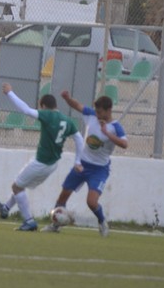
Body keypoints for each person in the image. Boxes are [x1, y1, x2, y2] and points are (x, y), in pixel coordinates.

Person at [0, 82, 84, 231]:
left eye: (41, 107)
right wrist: (78, 161)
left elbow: (26, 110)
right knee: (21, 185)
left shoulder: (48, 115)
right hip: (52, 164)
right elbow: (79, 139)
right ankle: (6, 207)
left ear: (44, 106)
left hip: (41, 163)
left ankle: (29, 221)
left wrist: (10, 93)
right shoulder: (68, 121)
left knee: (16, 187)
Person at [44, 90, 128, 236]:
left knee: (92, 202)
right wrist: (67, 98)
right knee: (63, 195)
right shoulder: (92, 115)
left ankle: (102, 221)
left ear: (108, 110)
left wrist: (107, 133)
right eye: (96, 111)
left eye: (100, 112)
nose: (97, 114)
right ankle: (55, 225)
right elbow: (77, 105)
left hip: (99, 170)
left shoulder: (115, 127)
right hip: (82, 164)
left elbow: (124, 144)